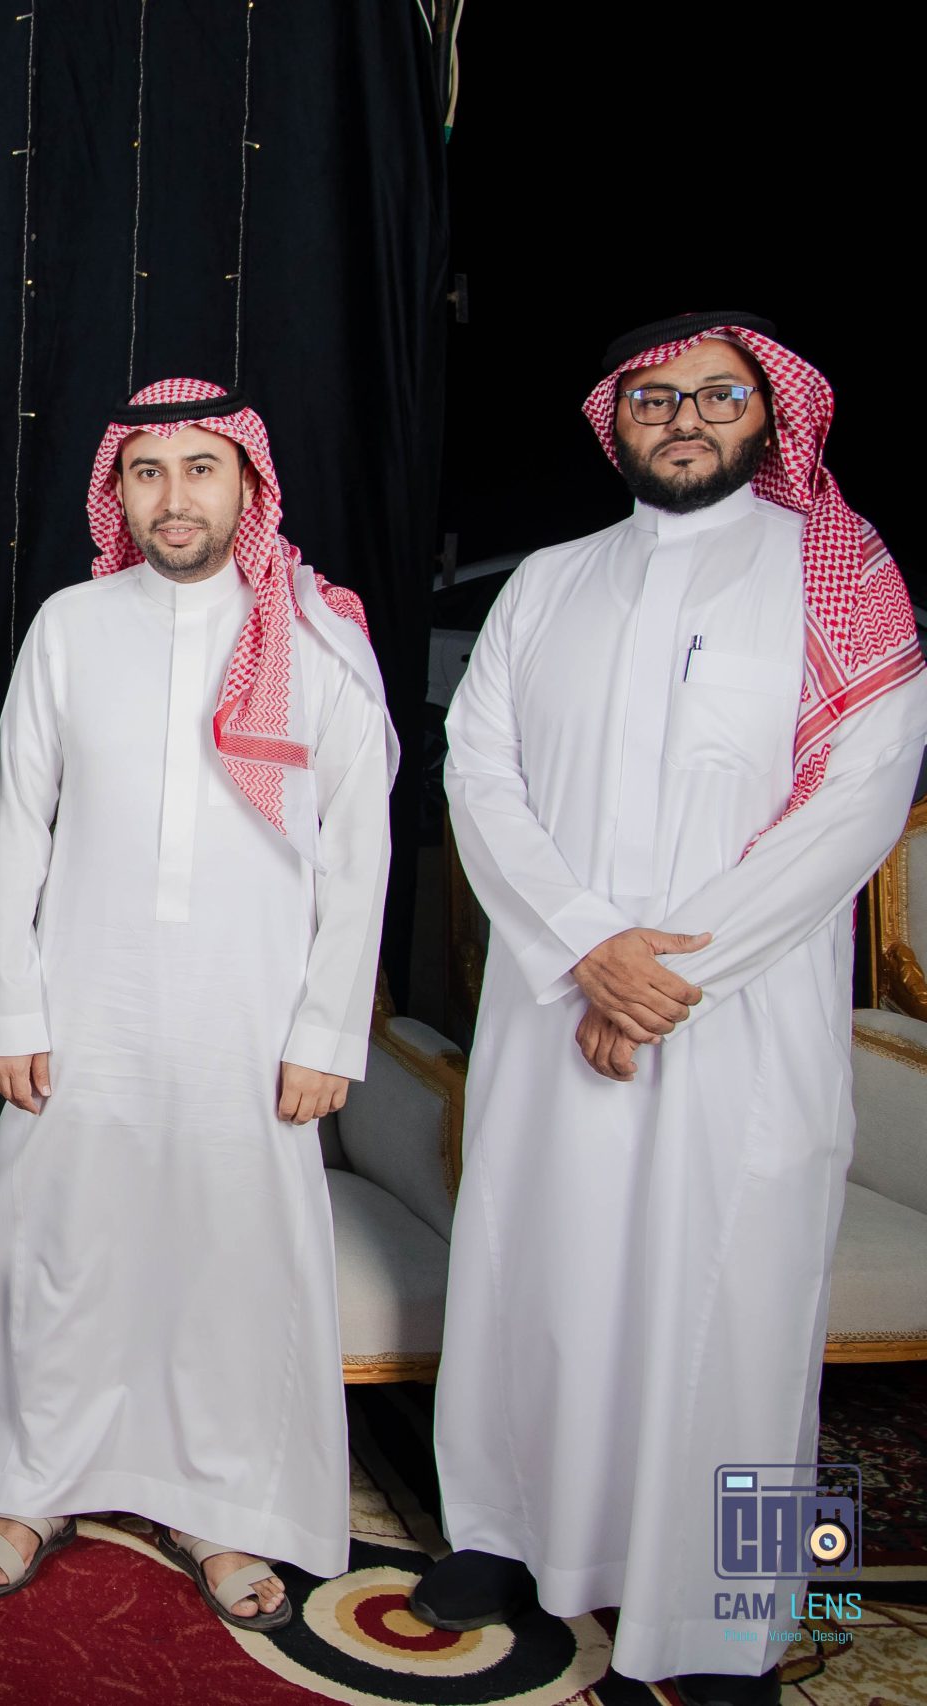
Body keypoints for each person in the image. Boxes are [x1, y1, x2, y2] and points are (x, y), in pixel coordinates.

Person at [417, 314, 927, 1706]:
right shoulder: (547, 583)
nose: (685, 416)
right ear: (615, 420)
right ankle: (504, 1535)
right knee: (534, 1278)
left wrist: (663, 978)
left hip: (740, 1021)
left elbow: (857, 804)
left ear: (771, 416)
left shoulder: (839, 576)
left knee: (743, 1316)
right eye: (656, 397)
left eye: (718, 394)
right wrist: (589, 947)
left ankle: (734, 1620)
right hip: (558, 1003)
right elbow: (479, 772)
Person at [0, 380, 395, 1624]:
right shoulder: (71, 625)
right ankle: (31, 1486)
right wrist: (10, 1010)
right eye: (147, 471)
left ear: (248, 485)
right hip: (85, 1003)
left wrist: (326, 1030)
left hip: (252, 1013)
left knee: (227, 1260)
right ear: (117, 490)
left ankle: (218, 1506)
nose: (173, 495)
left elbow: (359, 850)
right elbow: (14, 828)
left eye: (200, 468)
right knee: (61, 1249)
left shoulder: (316, 634)